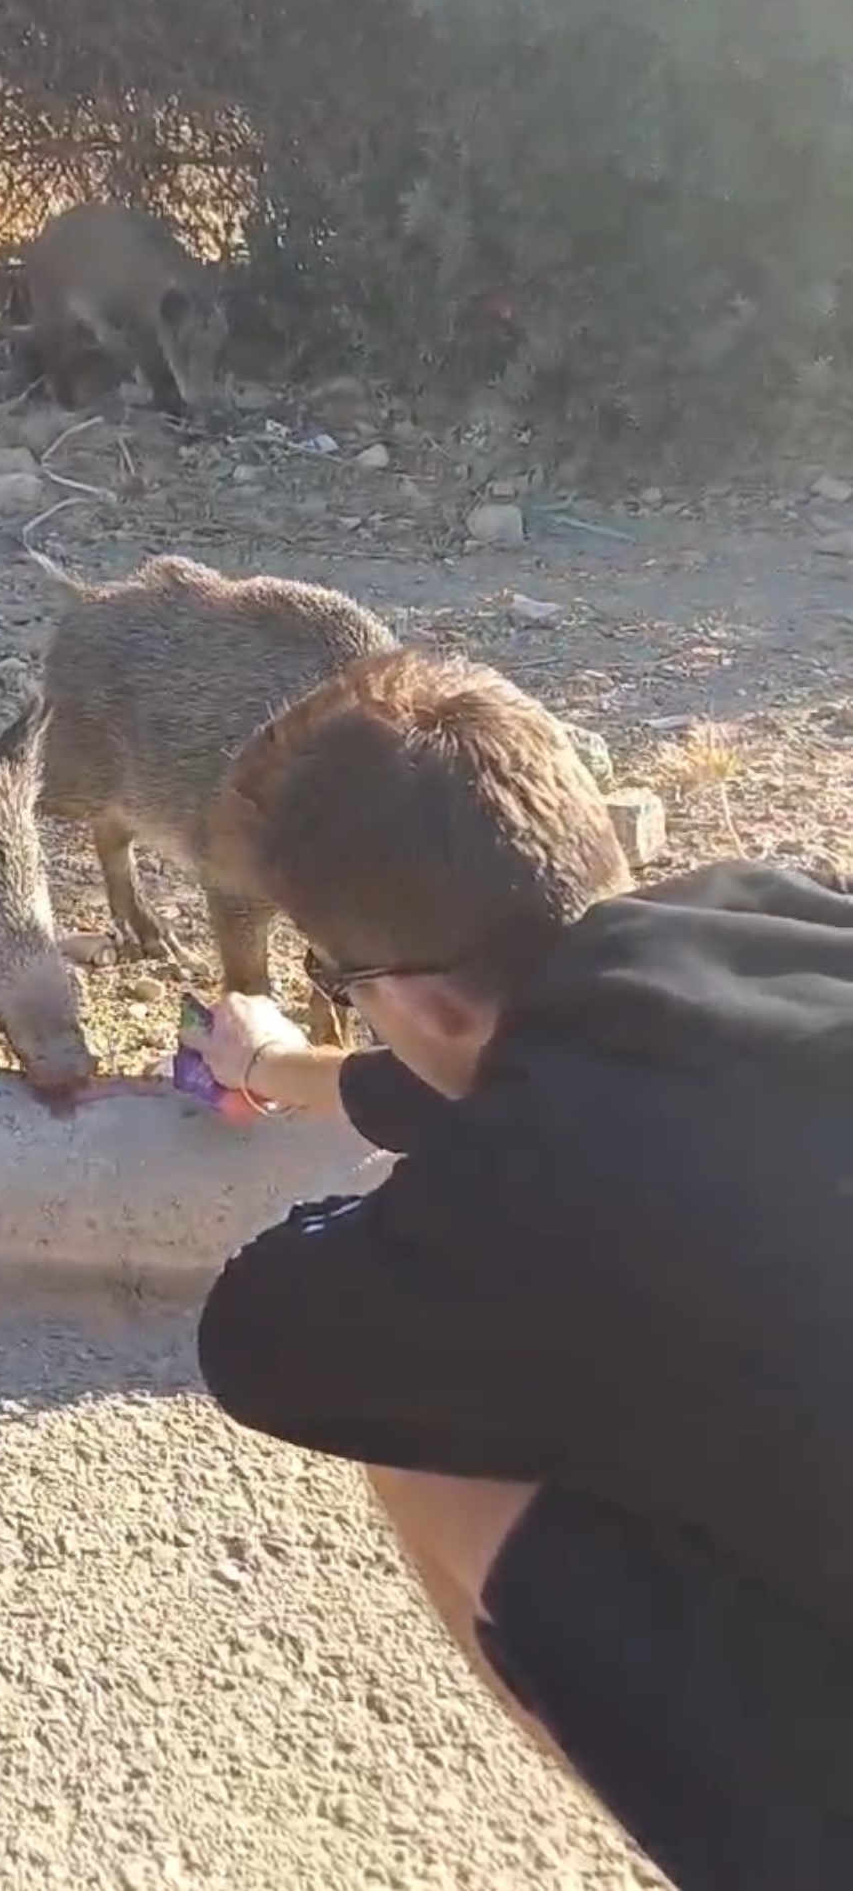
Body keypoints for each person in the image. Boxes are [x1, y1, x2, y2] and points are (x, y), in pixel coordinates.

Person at [187, 645, 853, 1891]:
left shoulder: (530, 1200)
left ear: (419, 1002)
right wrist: (279, 1064)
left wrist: (416, 1198)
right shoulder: (788, 911)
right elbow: (545, 1055)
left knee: (430, 1446)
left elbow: (260, 1338)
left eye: (348, 990)